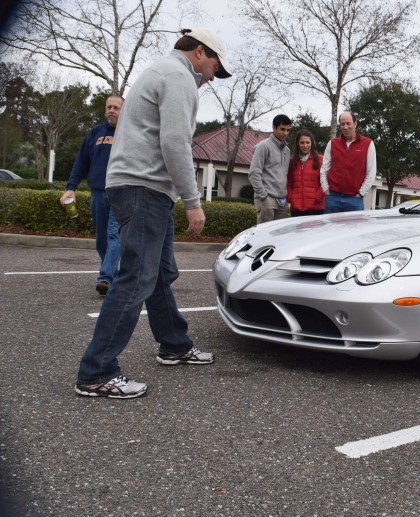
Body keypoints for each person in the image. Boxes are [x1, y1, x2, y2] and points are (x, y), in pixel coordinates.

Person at [74, 28, 232, 399]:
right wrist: (193, 202)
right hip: (143, 186)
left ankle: (174, 344)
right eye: (214, 67)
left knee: (159, 274)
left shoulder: (160, 70)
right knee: (135, 277)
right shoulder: (179, 77)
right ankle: (97, 372)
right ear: (198, 52)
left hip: (137, 184)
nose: (213, 77)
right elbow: (175, 141)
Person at [60, 95, 124, 296]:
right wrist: (71, 187)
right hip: (97, 192)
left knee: (115, 234)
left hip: (120, 192)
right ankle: (116, 273)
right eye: (109, 107)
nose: (111, 110)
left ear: (124, 110)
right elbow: (81, 162)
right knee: (101, 240)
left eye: (116, 107)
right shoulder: (95, 133)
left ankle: (105, 278)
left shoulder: (129, 132)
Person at [320, 111, 376, 213]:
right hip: (333, 198)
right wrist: (326, 190)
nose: (345, 127)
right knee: (330, 229)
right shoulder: (332, 144)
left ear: (355, 123)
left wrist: (361, 193)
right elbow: (324, 169)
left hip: (354, 200)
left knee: (353, 229)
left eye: (348, 123)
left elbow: (371, 173)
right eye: (342, 124)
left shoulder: (368, 144)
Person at [249, 114, 292, 223]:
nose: (285, 133)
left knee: (277, 237)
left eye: (288, 130)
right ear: (274, 128)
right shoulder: (263, 146)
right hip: (267, 199)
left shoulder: (287, 150)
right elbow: (254, 173)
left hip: (282, 200)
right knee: (264, 236)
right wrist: (264, 196)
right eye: (282, 129)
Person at [287, 129, 324, 216]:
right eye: (302, 142)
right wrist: (291, 198)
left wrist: (317, 197)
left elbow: (325, 182)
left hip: (316, 208)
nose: (305, 145)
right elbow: (289, 183)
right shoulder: (292, 162)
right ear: (298, 144)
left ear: (312, 143)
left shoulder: (320, 160)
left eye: (308, 142)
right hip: (297, 209)